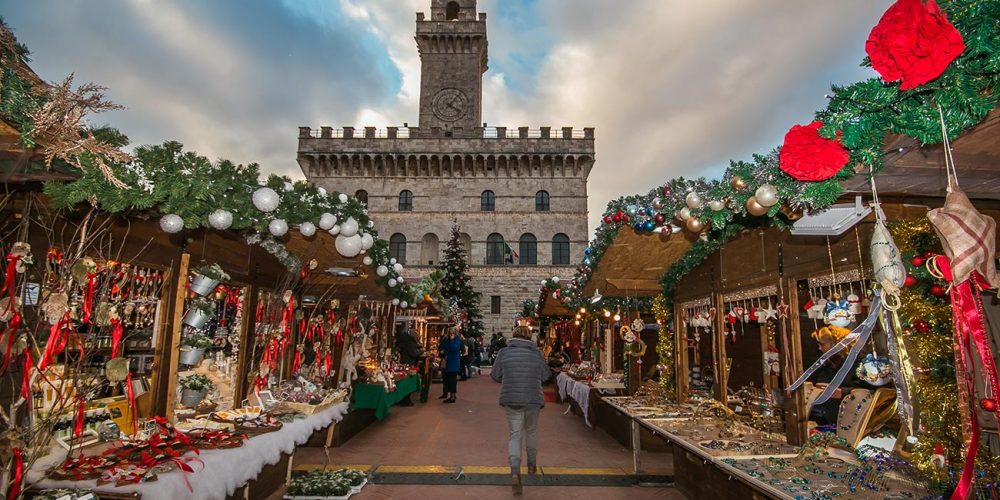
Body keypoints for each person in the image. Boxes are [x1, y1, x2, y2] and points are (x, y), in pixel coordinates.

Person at [491, 325, 551, 495]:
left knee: (514, 434)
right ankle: (531, 465)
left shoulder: (504, 352)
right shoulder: (537, 353)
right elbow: (546, 376)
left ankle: (515, 470)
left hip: (511, 398)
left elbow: (495, 375)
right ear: (529, 337)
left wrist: (508, 379)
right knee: (531, 430)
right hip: (533, 398)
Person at [441, 328, 463, 403]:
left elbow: (454, 348)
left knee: (452, 380)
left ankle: (452, 396)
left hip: (453, 363)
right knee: (447, 380)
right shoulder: (447, 339)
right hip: (448, 362)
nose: (451, 334)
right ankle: (449, 395)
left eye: (452, 333)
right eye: (450, 333)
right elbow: (443, 347)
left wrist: (451, 340)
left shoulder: (456, 339)